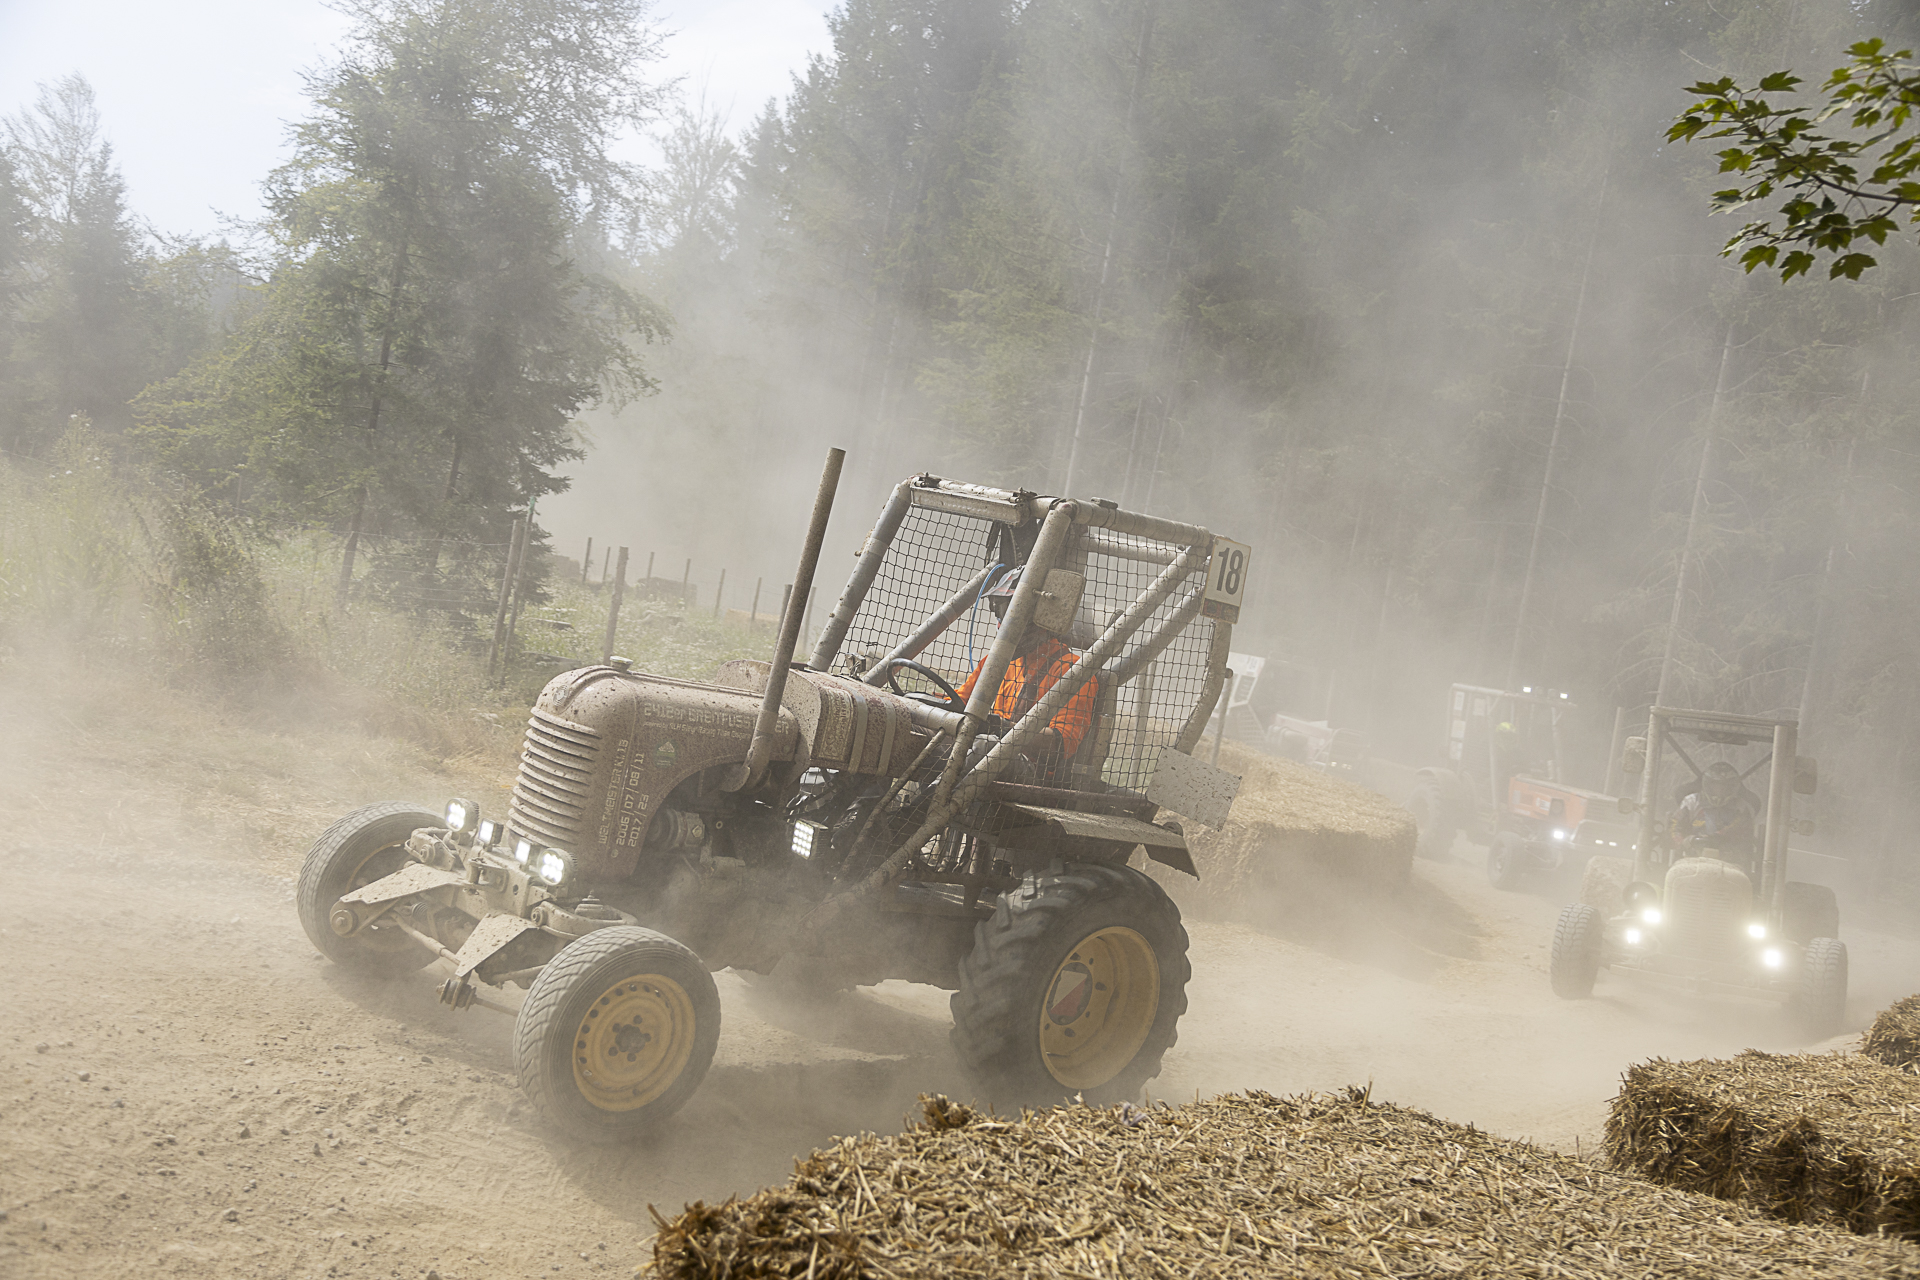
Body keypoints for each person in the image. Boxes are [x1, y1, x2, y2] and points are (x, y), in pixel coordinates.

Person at [955, 567, 1099, 785]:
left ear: (1038, 615)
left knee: (984, 746)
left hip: (1034, 775)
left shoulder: (1073, 672)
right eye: (1001, 611)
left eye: (1012, 611)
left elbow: (1060, 743)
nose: (1003, 623)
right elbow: (957, 702)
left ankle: (929, 802)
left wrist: (999, 728)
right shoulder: (996, 662)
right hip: (988, 752)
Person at [1669, 761, 1759, 871]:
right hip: (1690, 860)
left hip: (1731, 865)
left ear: (1734, 787)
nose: (1720, 790)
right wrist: (1686, 841)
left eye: (1725, 786)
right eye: (1715, 786)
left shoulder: (1742, 808)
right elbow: (1674, 827)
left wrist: (1720, 838)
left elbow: (1745, 836)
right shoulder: (1691, 802)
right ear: (1706, 784)